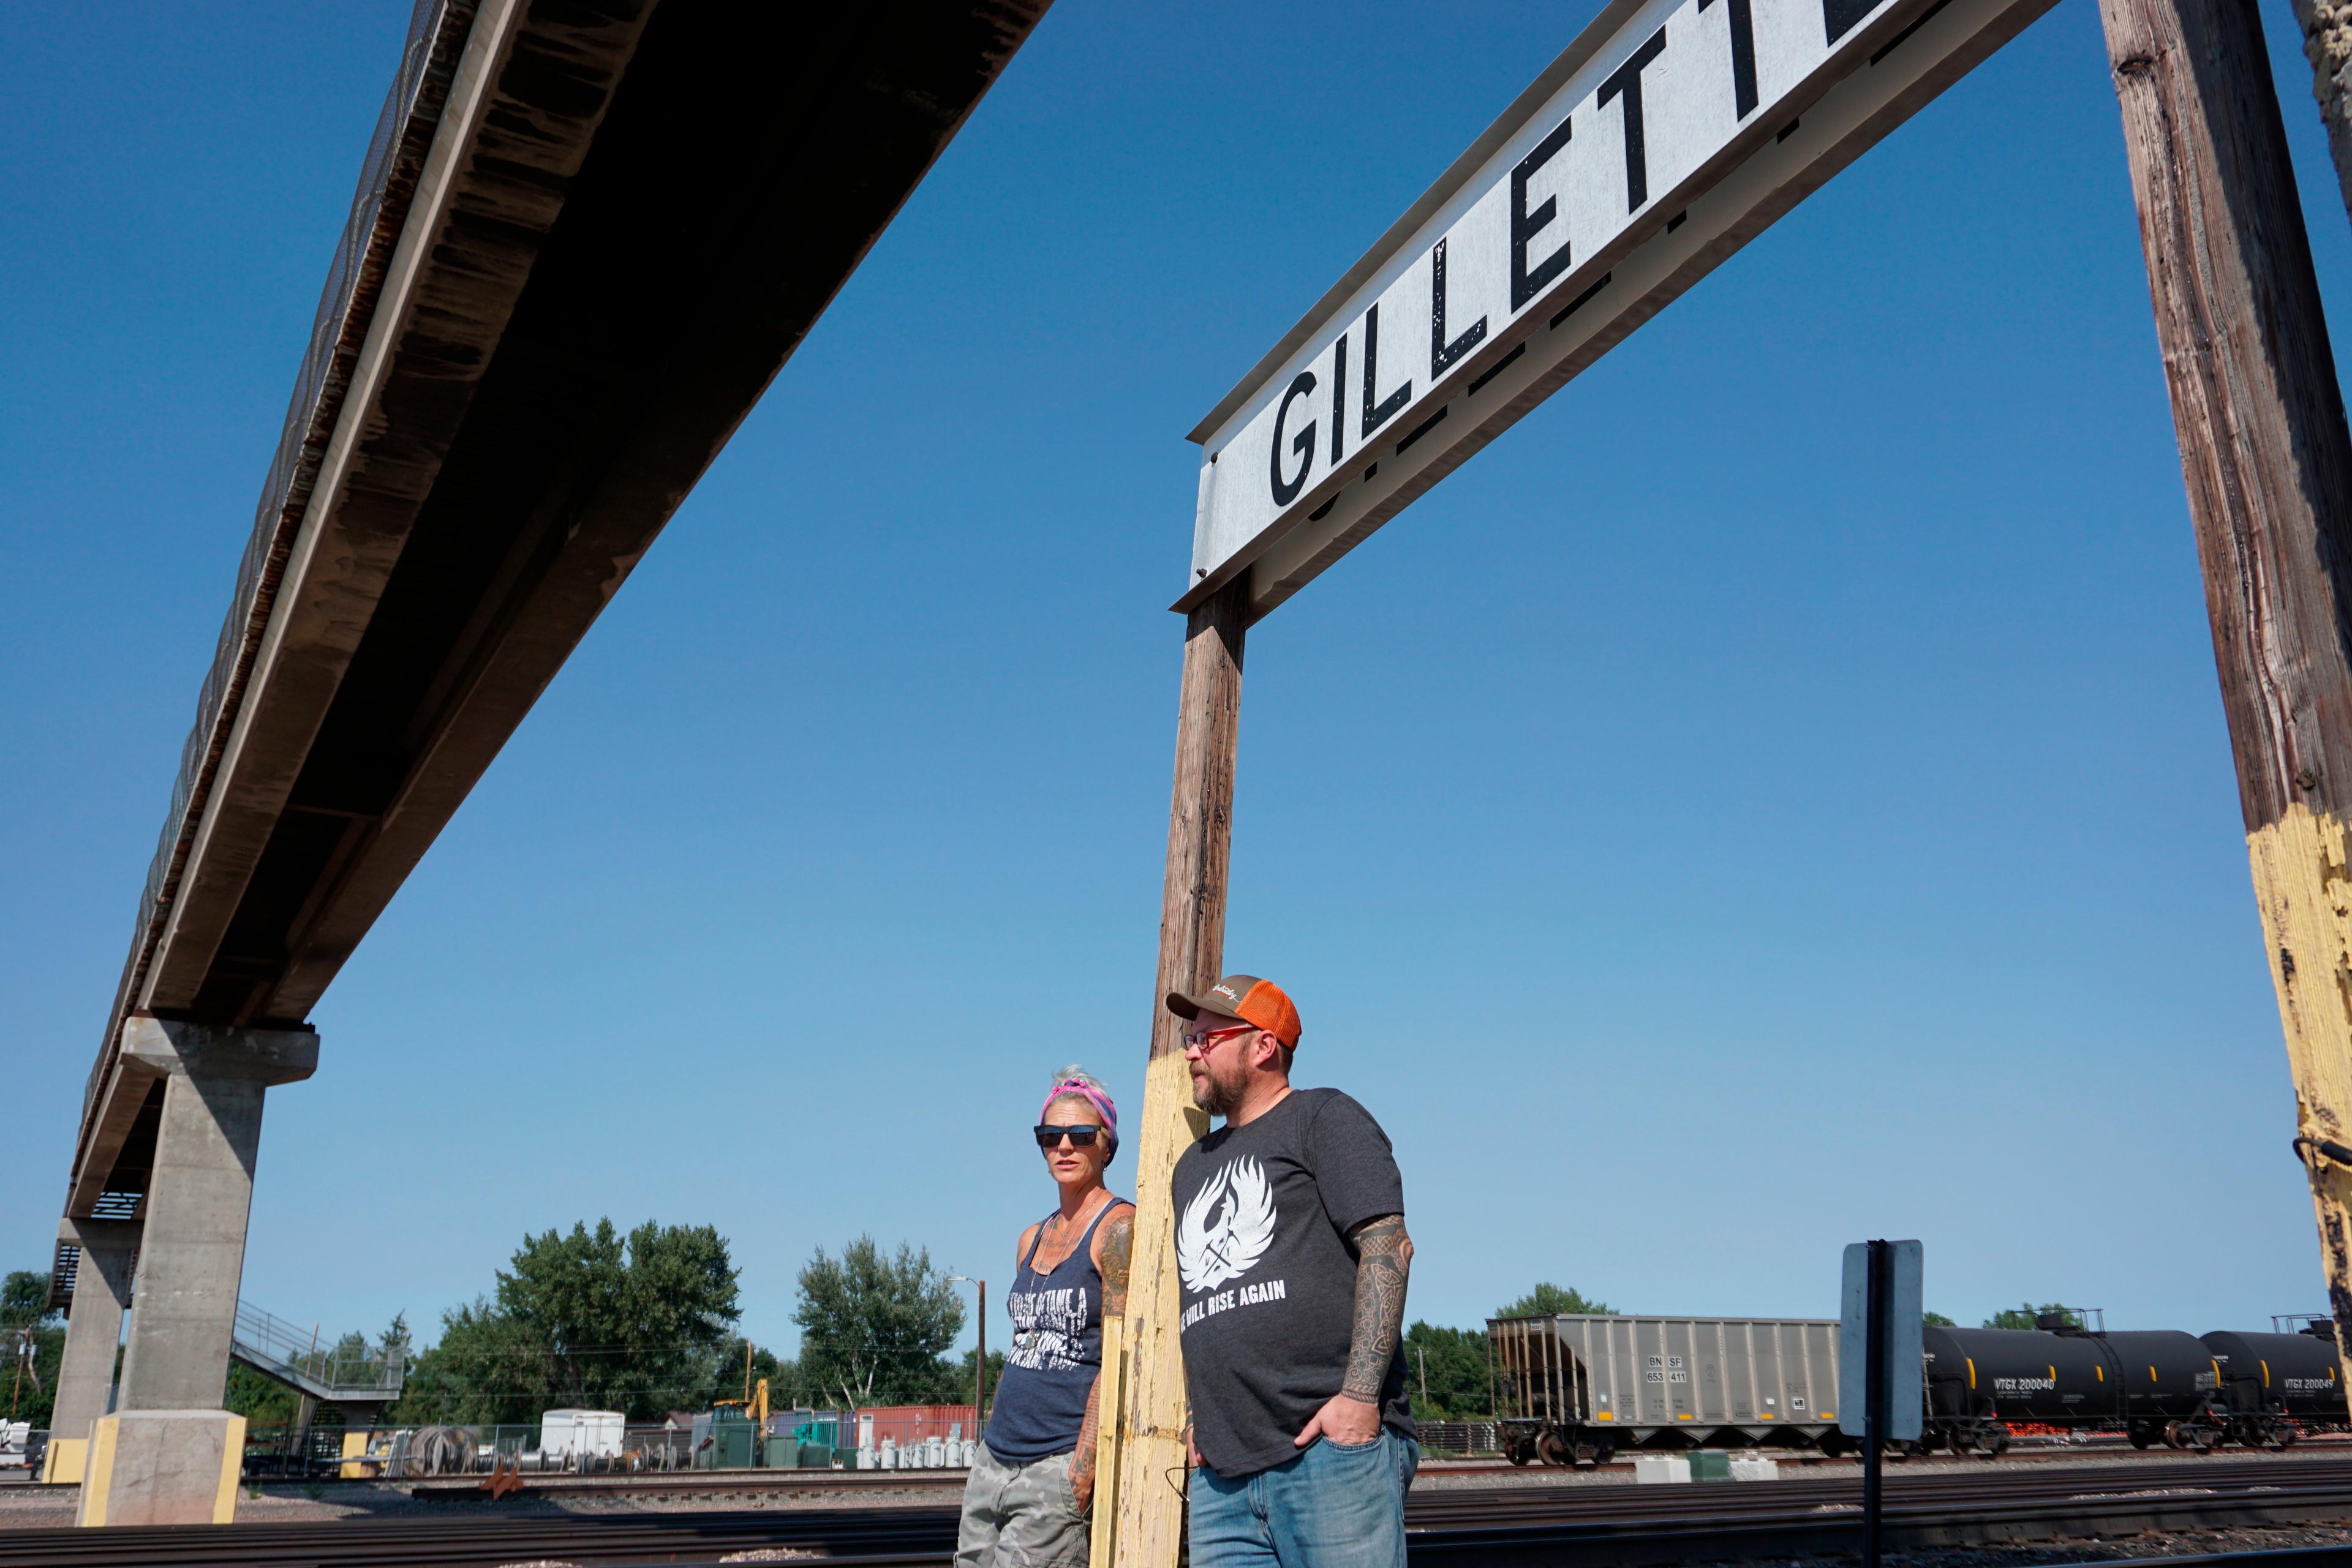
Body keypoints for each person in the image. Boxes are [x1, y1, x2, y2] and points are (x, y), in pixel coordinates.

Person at [1164, 974, 1416, 1568]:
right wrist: (1205, 1419)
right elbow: (1202, 1295)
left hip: (1327, 1459)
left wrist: (1357, 1398)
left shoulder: (1322, 1116)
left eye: (1207, 1037)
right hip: (1222, 1479)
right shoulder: (1190, 1168)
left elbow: (1388, 1246)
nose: (1191, 1050)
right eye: (1189, 1037)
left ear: (1263, 1046)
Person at [956, 1066, 1134, 1567]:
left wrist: (1080, 1475)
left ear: (1107, 1144)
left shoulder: (1117, 1230)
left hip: (1054, 1466)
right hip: (994, 1459)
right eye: (1050, 1135)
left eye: (1081, 1135)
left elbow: (1120, 1360)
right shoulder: (1029, 1239)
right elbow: (1024, 1344)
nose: (1065, 1147)